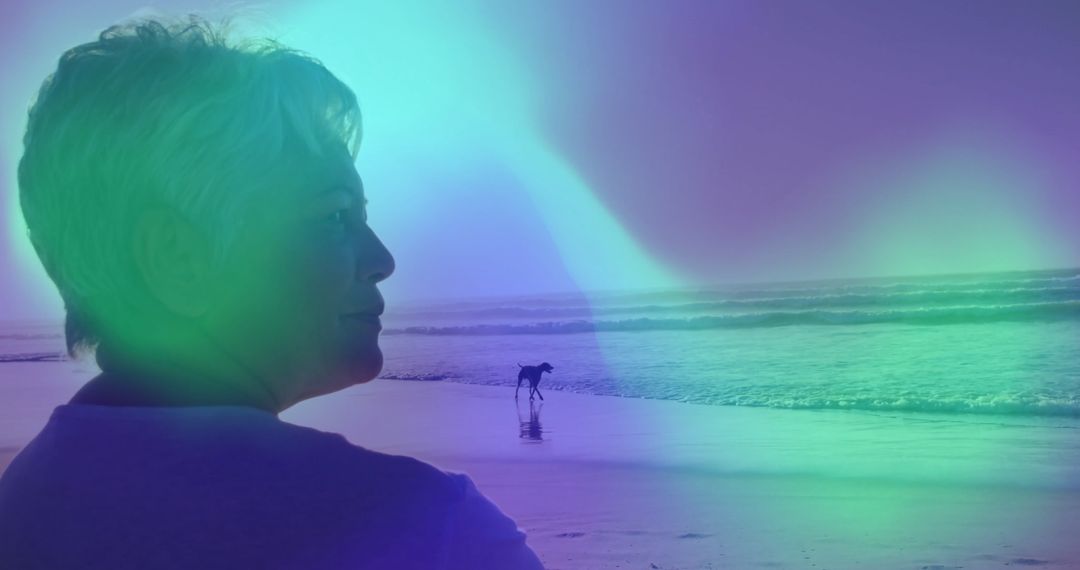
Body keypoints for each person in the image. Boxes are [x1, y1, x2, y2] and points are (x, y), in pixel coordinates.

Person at [0, 15, 544, 570]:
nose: (382, 260)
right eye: (334, 216)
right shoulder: (429, 533)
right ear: (178, 260)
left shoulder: (20, 506)